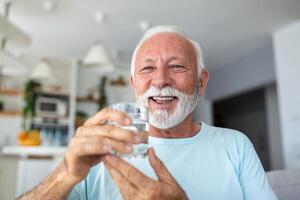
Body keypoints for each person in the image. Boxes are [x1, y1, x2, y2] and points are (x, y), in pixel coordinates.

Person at [18, 26, 277, 200]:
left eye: (176, 66)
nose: (160, 80)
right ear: (133, 85)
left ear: (201, 82)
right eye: (147, 69)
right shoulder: (100, 152)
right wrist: (64, 173)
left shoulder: (235, 145)